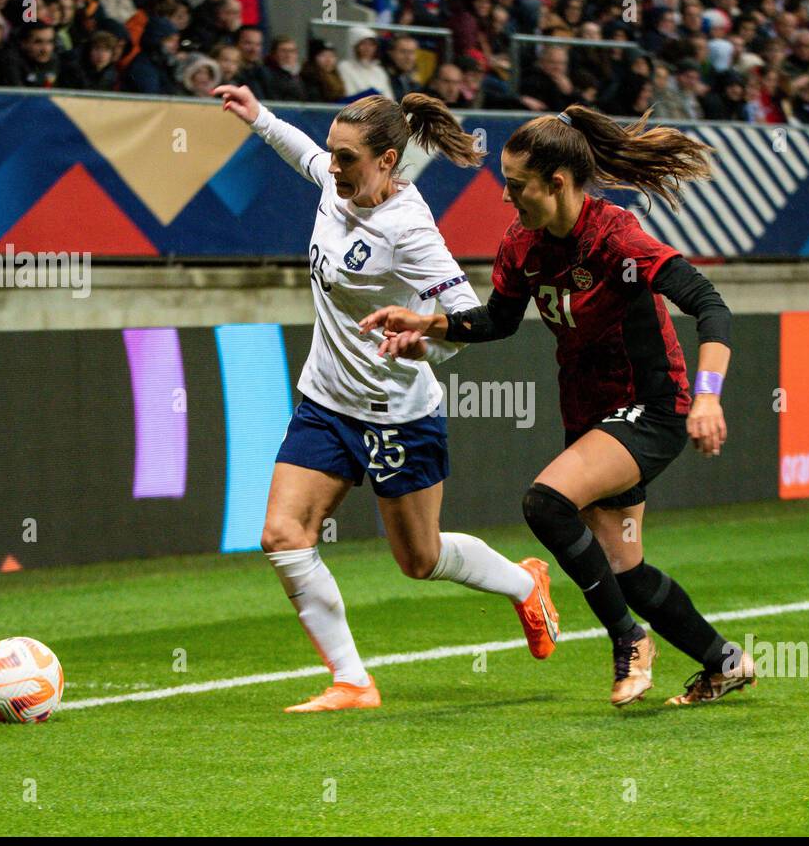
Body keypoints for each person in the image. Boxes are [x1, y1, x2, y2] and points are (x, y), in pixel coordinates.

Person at [360, 106, 757, 708]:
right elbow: (496, 320)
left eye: (516, 185)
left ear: (558, 183)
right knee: (627, 571)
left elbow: (710, 306)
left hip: (654, 406)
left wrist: (708, 395)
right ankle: (726, 661)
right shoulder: (522, 245)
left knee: (545, 503)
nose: (506, 195)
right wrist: (430, 322)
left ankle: (628, 641)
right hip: (591, 415)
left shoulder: (615, 236)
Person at [212, 83, 559, 713]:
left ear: (387, 161)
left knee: (419, 560)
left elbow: (466, 323)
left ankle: (524, 584)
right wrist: (258, 116)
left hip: (397, 415)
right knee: (283, 534)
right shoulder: (336, 181)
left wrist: (421, 343)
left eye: (346, 157)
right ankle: (352, 681)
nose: (332, 164)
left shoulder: (411, 229)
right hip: (324, 399)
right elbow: (303, 156)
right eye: (333, 152)